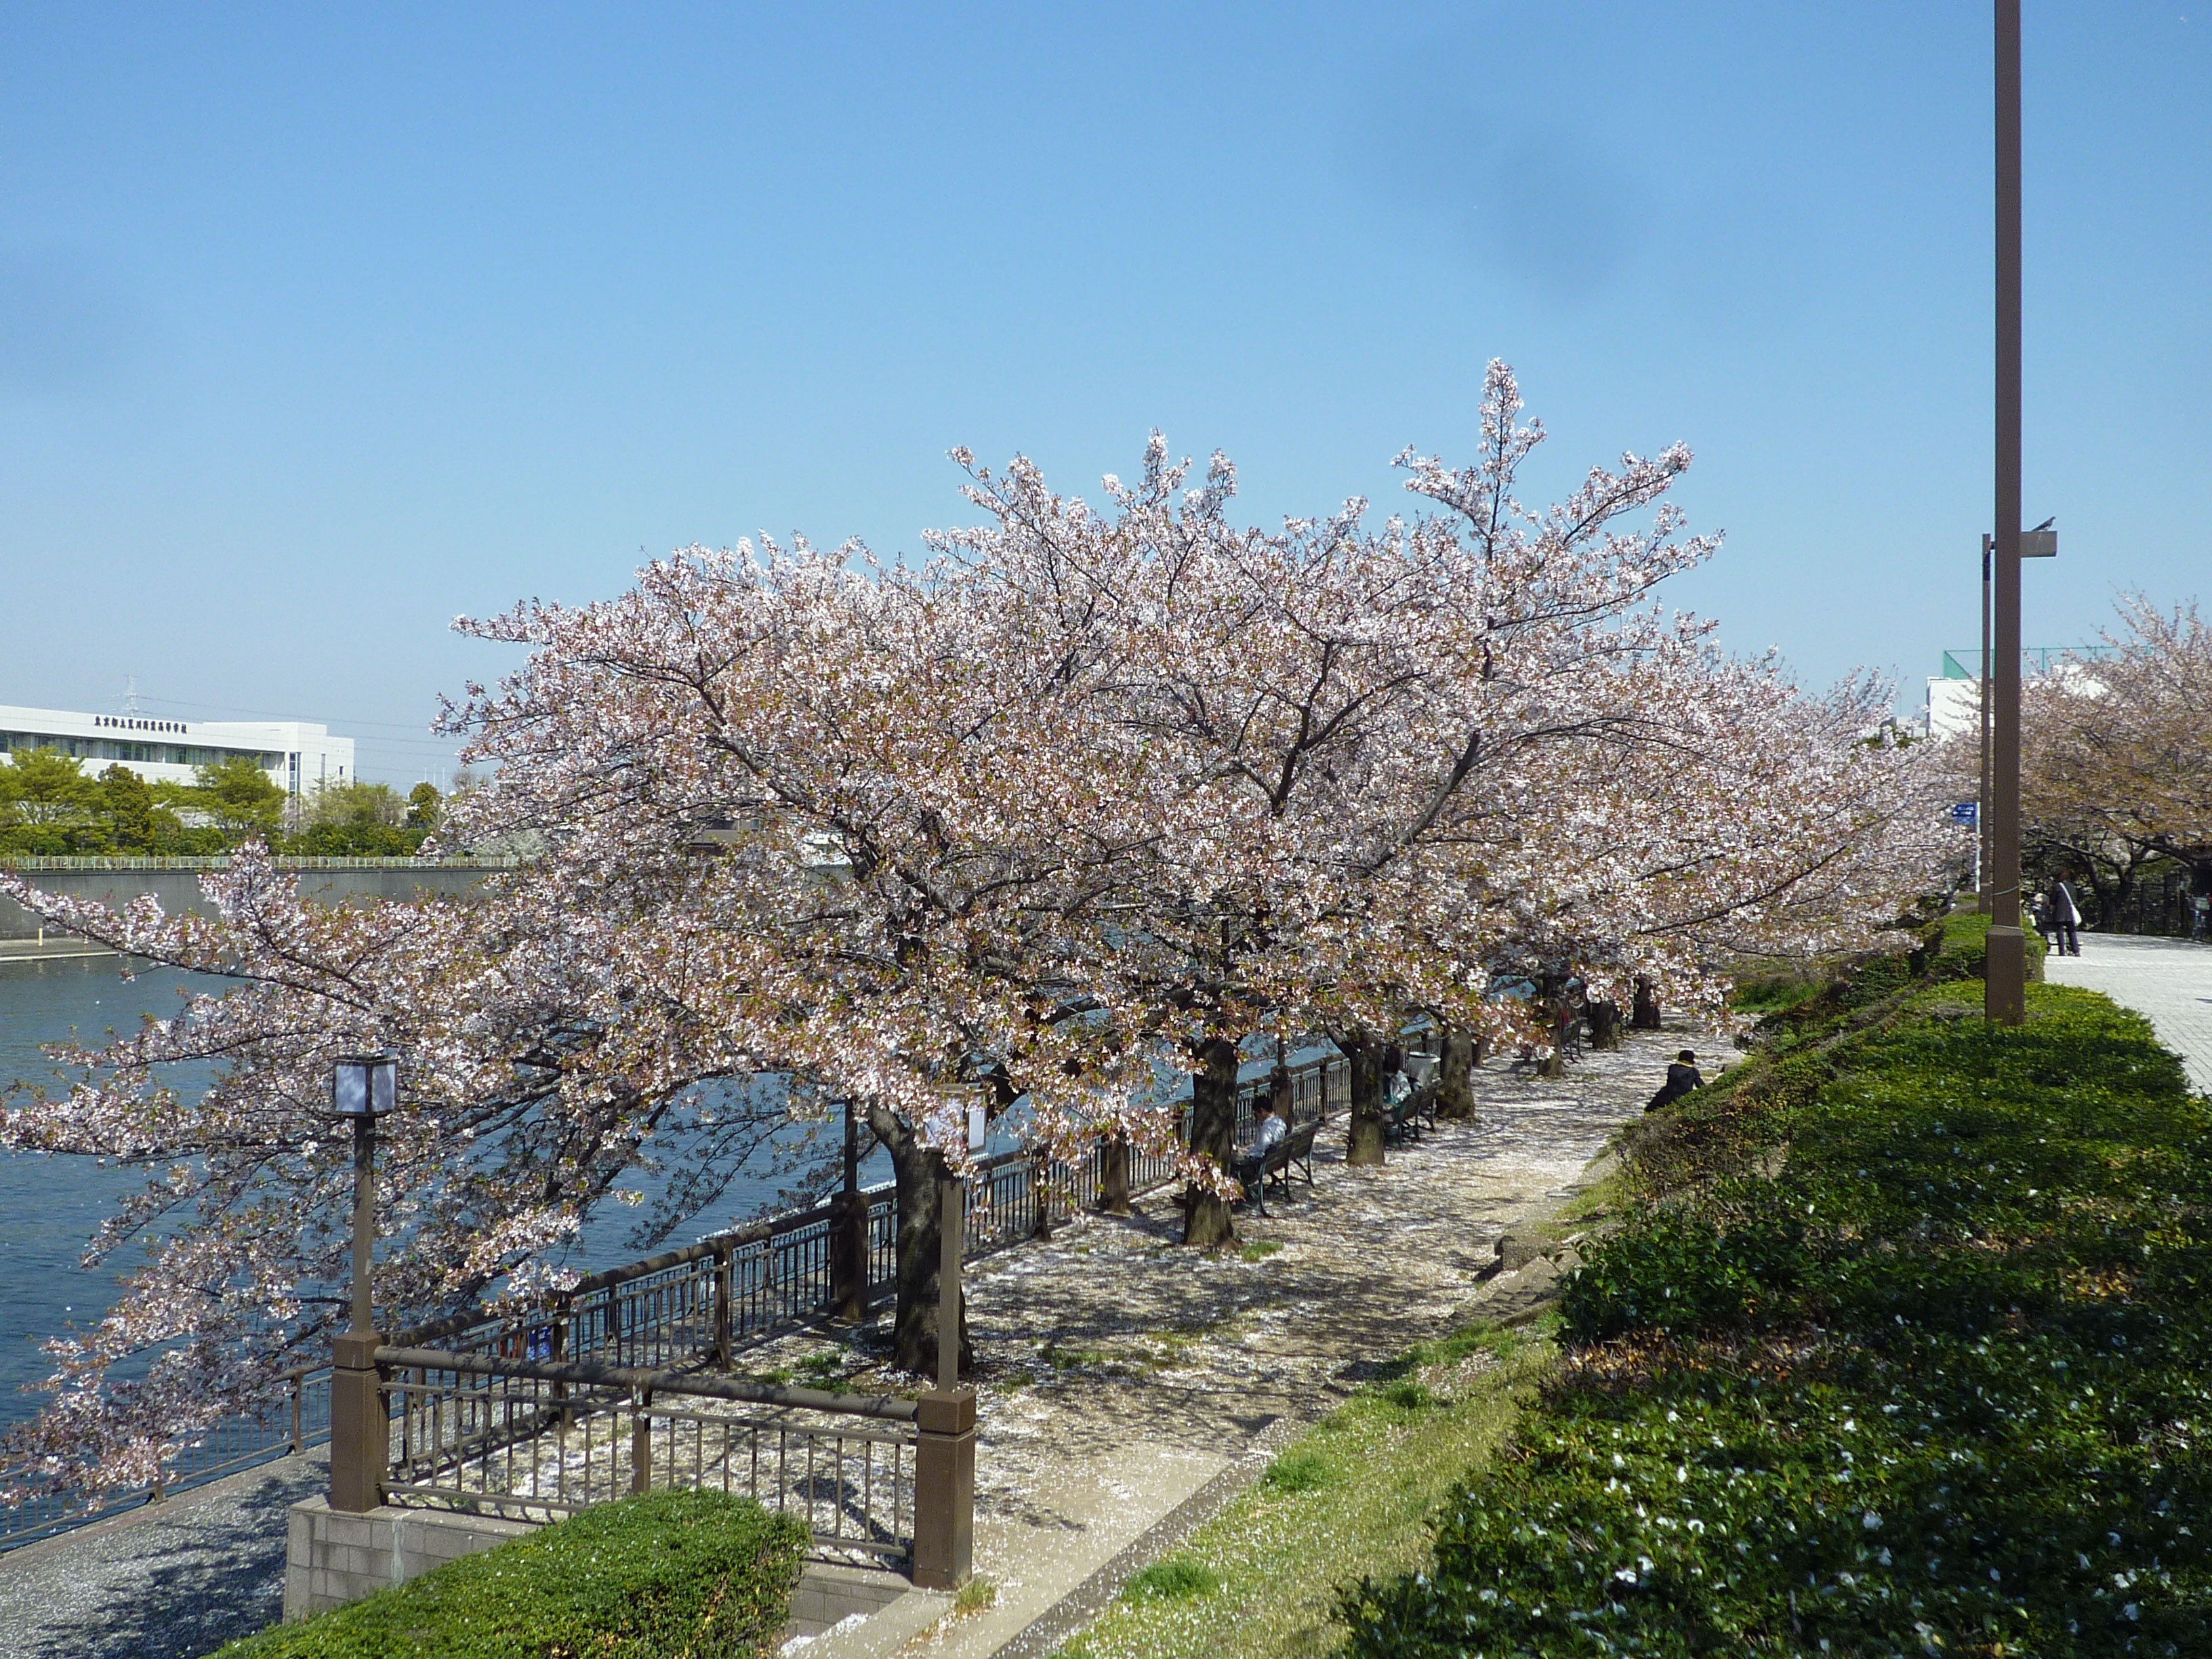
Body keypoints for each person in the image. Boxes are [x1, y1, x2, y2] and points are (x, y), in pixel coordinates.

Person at [1234, 1098, 1286, 1216]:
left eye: (1256, 1114)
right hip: (1276, 1160)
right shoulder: (1280, 1123)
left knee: (1232, 1162)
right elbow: (1263, 1148)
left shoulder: (1266, 1129)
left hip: (1259, 1165)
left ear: (1262, 1111)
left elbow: (1259, 1153)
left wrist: (1244, 1154)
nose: (1256, 1117)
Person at [1645, 1049, 1704, 1113]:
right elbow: (1701, 1086)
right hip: (1683, 1098)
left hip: (1665, 1096)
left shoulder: (1672, 1068)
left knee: (1649, 1110)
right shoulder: (1694, 1071)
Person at [2050, 877, 2083, 957]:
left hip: (2060, 911)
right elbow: (2075, 898)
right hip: (2070, 912)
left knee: (2060, 931)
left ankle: (2062, 951)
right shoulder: (2072, 886)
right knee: (2072, 932)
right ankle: (2076, 950)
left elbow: (2053, 900)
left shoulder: (2057, 886)